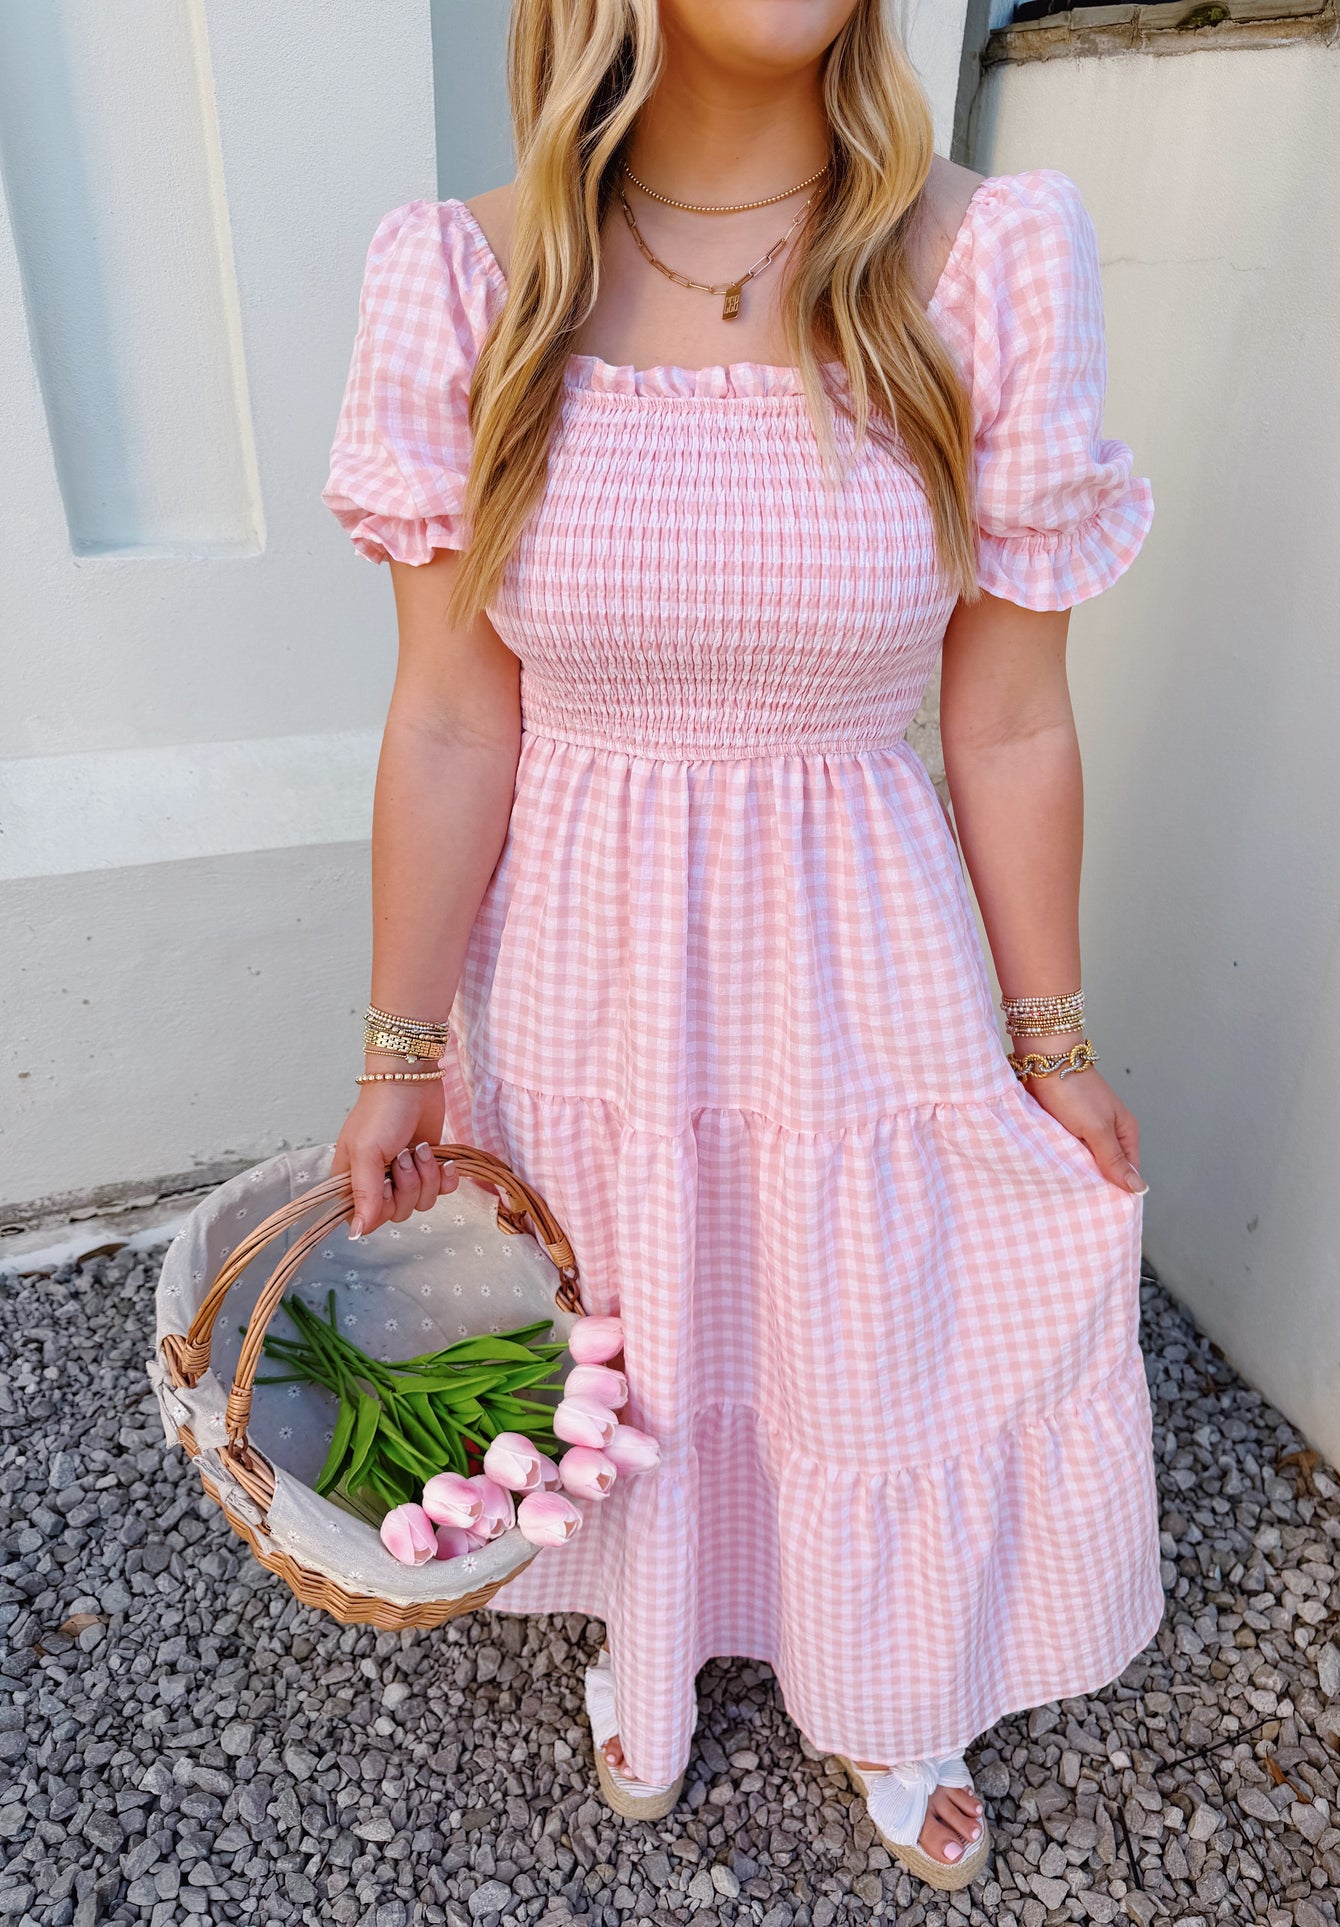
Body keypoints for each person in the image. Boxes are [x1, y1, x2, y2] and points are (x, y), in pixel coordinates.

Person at [322, 0, 1163, 1891]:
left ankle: (887, 1672)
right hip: (581, 963)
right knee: (631, 1313)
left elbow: (1010, 715)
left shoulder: (990, 257)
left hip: (864, 952)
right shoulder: (468, 280)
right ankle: (654, 1630)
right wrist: (397, 1053)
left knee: (876, 1334)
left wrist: (1052, 1034)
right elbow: (452, 716)